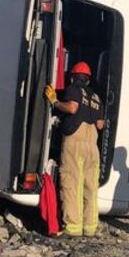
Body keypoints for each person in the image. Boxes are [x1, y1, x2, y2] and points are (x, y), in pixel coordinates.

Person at [45, 61, 105, 237]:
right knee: (90, 187)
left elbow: (72, 108)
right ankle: (90, 227)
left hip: (75, 142)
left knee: (72, 184)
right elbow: (100, 125)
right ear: (88, 80)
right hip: (93, 146)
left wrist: (55, 101)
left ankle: (72, 227)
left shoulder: (73, 89)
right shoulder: (96, 97)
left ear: (72, 77)